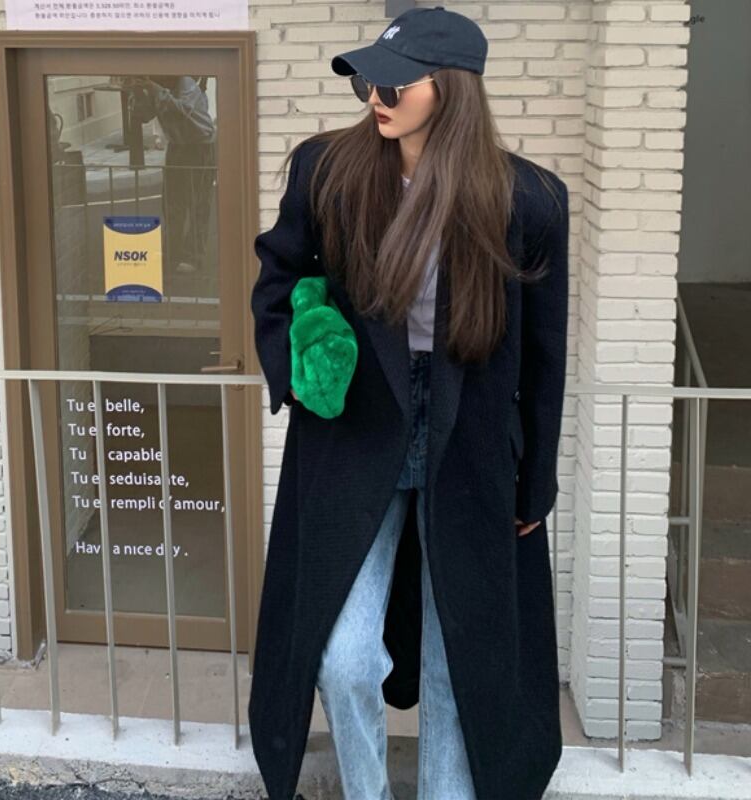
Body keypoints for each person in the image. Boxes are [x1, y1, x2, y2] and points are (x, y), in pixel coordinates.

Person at [249, 6, 569, 800]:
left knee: (460, 659)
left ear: (449, 89)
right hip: (357, 429)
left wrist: (536, 483)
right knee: (344, 657)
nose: (375, 98)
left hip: (473, 442)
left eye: (393, 85)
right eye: (366, 81)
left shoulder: (527, 199)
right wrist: (299, 359)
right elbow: (278, 279)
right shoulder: (327, 171)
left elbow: (543, 354)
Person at [127, 75, 216, 274]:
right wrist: (138, 93)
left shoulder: (186, 82)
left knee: (198, 204)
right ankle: (172, 253)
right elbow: (144, 115)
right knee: (172, 204)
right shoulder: (158, 88)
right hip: (177, 146)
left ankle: (193, 256)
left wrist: (153, 88)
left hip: (200, 146)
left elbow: (183, 110)